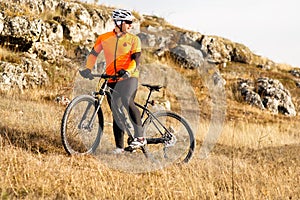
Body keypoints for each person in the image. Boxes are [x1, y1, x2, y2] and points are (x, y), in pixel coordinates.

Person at [80, 8, 146, 153]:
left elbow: (136, 60)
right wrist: (88, 69)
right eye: (128, 22)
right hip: (111, 78)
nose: (130, 25)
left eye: (131, 22)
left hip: (129, 77)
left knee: (126, 100)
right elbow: (93, 54)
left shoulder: (134, 40)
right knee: (116, 111)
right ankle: (119, 147)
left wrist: (128, 71)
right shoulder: (104, 38)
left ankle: (140, 137)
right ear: (119, 22)